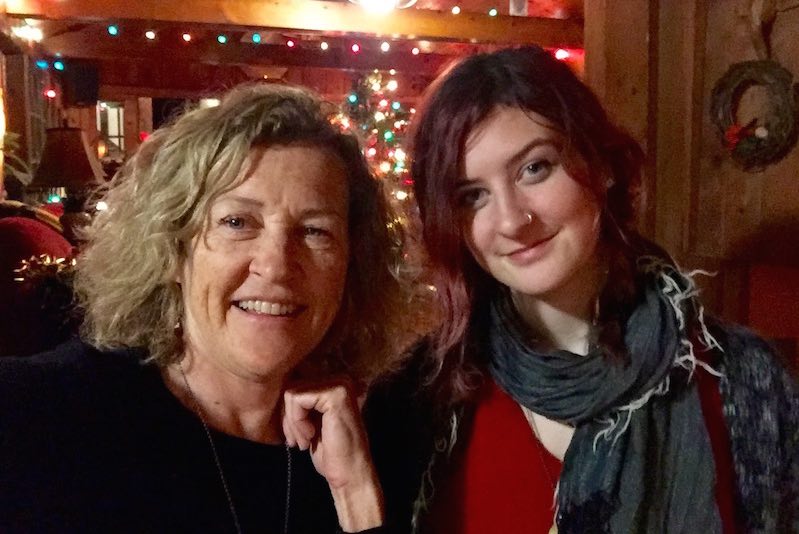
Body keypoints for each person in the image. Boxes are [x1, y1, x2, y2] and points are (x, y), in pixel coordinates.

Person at [365, 46, 798, 533]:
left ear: (602, 164)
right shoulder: (416, 400)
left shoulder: (740, 376)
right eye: (472, 196)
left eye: (535, 168)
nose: (511, 220)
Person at [0, 83, 408, 533]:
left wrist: (356, 498)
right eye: (237, 222)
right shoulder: (34, 416)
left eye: (315, 231)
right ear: (173, 249)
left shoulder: (373, 445)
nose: (276, 265)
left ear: (351, 264)